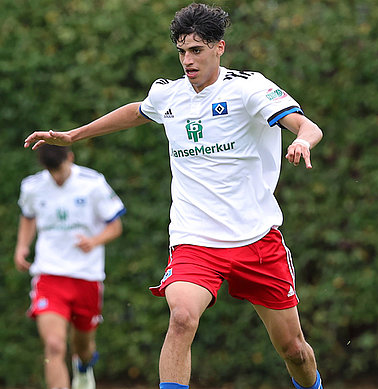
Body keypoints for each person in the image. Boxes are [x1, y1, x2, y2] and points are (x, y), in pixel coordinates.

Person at [24, 3, 324, 389]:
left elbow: (306, 124)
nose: (187, 60)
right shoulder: (169, 94)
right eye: (182, 51)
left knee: (294, 350)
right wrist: (73, 135)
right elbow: (137, 112)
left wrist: (301, 140)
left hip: (257, 239)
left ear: (220, 47)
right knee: (181, 317)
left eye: (196, 50)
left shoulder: (248, 88)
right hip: (194, 241)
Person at [14, 144, 126, 389]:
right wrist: (22, 245)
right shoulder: (32, 186)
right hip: (49, 275)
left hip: (86, 276)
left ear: (71, 158)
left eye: (60, 169)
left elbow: (115, 226)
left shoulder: (93, 183)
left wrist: (94, 241)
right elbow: (28, 216)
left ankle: (84, 367)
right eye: (51, 171)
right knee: (54, 345)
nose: (56, 176)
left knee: (83, 348)